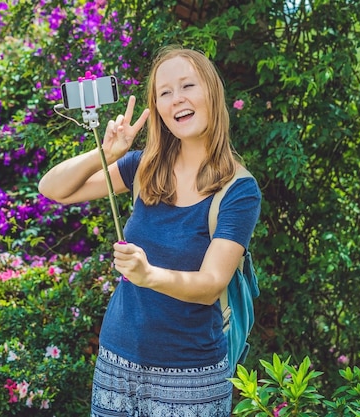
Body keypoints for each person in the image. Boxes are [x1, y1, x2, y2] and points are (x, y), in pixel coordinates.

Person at [39, 45, 262, 416]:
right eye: (164, 92)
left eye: (188, 85)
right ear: (157, 108)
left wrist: (149, 275)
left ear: (212, 92)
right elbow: (54, 190)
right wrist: (106, 153)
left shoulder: (238, 190)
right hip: (117, 360)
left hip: (191, 377)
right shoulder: (145, 167)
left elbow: (210, 286)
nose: (177, 99)